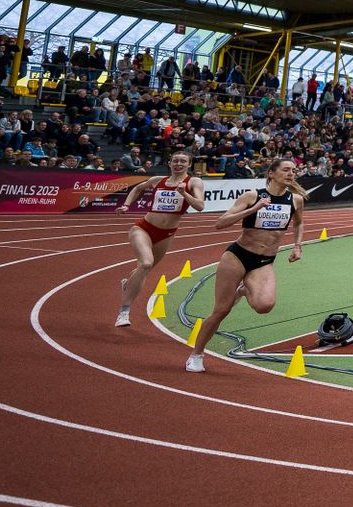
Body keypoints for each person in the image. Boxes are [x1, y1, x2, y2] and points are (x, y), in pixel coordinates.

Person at [186, 157, 306, 374]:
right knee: (221, 310)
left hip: (264, 261)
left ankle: (243, 289)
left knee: (264, 306)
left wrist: (298, 246)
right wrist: (254, 209)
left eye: (293, 170)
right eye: (286, 170)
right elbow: (220, 223)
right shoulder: (252, 196)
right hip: (238, 257)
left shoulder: (295, 200)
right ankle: (196, 354)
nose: (291, 174)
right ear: (271, 173)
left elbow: (299, 223)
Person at [113, 150, 205, 326]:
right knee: (146, 263)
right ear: (169, 163)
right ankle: (124, 312)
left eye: (183, 161)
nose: (178, 164)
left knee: (144, 269)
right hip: (144, 228)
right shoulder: (158, 180)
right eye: (175, 161)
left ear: (189, 164)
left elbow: (200, 206)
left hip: (167, 234)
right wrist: (126, 206)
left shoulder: (194, 182)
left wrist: (184, 193)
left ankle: (129, 283)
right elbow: (138, 188)